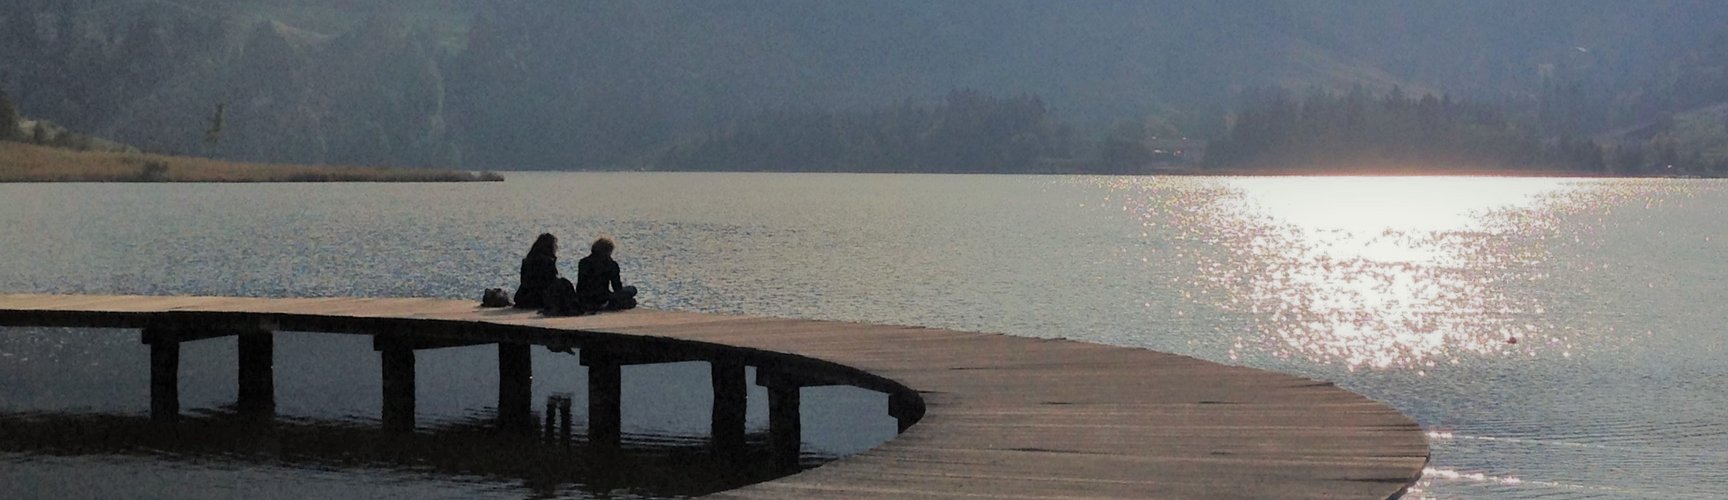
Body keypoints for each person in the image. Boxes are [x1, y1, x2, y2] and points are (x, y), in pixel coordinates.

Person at [576, 237, 637, 312]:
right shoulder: (611, 265)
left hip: (585, 298)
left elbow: (580, 285)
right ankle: (611, 304)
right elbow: (617, 287)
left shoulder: (583, 262)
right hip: (603, 297)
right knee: (632, 290)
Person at [513, 233, 559, 310]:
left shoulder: (526, 261)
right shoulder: (548, 262)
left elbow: (523, 281)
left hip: (523, 298)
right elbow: (551, 283)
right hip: (540, 299)